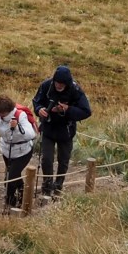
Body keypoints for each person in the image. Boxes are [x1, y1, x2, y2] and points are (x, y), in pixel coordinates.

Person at [31, 65, 91, 198]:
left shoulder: (75, 90)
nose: (58, 85)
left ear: (67, 83)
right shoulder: (46, 85)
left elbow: (86, 111)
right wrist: (39, 109)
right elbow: (36, 101)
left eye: (62, 83)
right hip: (48, 127)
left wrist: (67, 109)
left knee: (63, 161)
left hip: (66, 130)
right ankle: (47, 187)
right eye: (57, 82)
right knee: (47, 159)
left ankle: (58, 187)